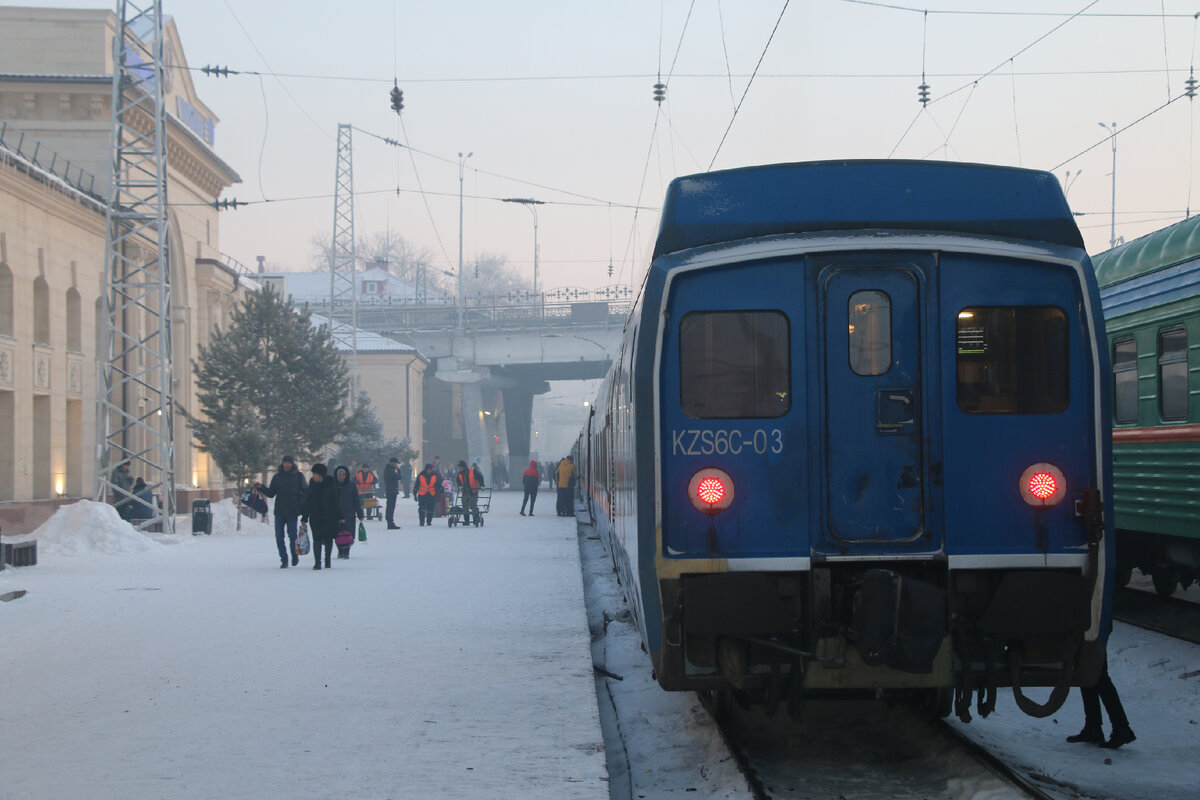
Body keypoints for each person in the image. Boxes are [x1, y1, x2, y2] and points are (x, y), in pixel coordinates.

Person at [1066, 656, 1136, 749]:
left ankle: (1121, 728)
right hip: (1091, 641)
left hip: (1093, 642)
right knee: (1088, 674)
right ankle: (1093, 728)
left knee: (1099, 675)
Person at [255, 455, 308, 568]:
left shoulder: (298, 476)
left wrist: (300, 503)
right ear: (282, 463)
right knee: (279, 537)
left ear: (292, 464)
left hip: (293, 511)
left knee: (292, 536)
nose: (287, 465)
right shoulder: (277, 477)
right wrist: (261, 487)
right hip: (279, 511)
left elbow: (306, 491)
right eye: (285, 462)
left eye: (289, 463)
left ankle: (294, 555)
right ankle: (284, 560)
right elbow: (271, 493)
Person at [301, 463, 339, 570]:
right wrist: (304, 517)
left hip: (329, 516)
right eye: (313, 474)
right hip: (315, 516)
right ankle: (317, 562)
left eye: (315, 474)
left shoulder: (331, 483)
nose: (313, 476)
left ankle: (327, 560)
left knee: (328, 539)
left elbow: (336, 501)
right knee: (316, 539)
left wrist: (340, 516)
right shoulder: (312, 485)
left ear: (321, 475)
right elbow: (308, 502)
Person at [332, 466, 364, 558]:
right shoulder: (333, 485)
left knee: (349, 533)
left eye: (343, 475)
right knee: (337, 533)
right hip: (336, 513)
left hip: (349, 513)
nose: (341, 477)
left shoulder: (351, 486)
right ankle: (340, 550)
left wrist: (360, 513)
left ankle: (347, 551)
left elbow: (356, 501)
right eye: (339, 475)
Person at [455, 460, 486, 526]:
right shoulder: (459, 473)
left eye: (460, 467)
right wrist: (460, 485)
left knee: (473, 505)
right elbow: (458, 480)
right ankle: (466, 521)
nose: (459, 469)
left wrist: (482, 485)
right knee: (465, 506)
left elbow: (480, 477)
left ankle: (476, 519)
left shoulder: (473, 471)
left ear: (463, 467)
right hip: (465, 491)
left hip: (473, 491)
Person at [383, 457, 403, 529]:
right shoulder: (390, 470)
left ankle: (390, 522)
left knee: (390, 507)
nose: (396, 465)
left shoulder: (388, 469)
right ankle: (390, 522)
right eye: (395, 464)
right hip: (391, 491)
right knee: (391, 507)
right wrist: (399, 470)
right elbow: (398, 477)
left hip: (390, 490)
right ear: (392, 463)